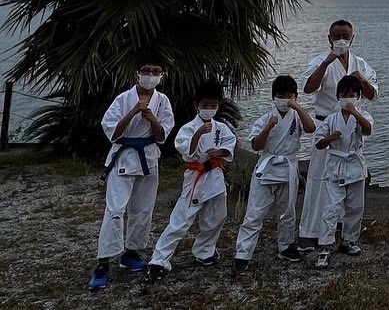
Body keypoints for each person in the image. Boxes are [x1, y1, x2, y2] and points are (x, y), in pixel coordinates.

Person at [89, 57, 175, 291]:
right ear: (137, 72)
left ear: (162, 75)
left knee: (143, 209)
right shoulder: (123, 99)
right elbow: (113, 133)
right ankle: (103, 263)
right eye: (146, 70)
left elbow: (161, 136)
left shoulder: (163, 101)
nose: (151, 75)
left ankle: (131, 253)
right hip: (124, 156)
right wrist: (134, 111)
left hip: (148, 157)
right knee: (115, 210)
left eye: (156, 71)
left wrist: (150, 117)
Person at [298, 20, 378, 250]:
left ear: (352, 38)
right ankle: (311, 231)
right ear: (329, 38)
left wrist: (361, 79)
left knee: (350, 181)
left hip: (352, 125)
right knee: (319, 178)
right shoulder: (320, 61)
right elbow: (308, 88)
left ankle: (342, 228)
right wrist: (326, 62)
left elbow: (372, 96)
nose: (341, 40)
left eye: (345, 36)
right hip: (326, 123)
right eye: (337, 36)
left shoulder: (360, 64)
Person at [147, 81, 236, 279]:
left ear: (219, 105)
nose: (209, 108)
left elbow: (230, 145)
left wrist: (221, 151)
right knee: (181, 220)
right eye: (205, 105)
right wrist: (198, 135)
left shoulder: (221, 128)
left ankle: (204, 251)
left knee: (217, 217)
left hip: (215, 176)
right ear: (196, 105)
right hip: (196, 176)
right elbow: (186, 151)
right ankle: (159, 260)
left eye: (213, 105)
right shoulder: (188, 128)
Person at [233, 75, 316, 272]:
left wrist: (297, 107)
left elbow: (311, 128)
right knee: (255, 213)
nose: (285, 99)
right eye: (281, 96)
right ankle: (243, 254)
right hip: (267, 166)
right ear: (274, 97)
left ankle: (285, 246)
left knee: (287, 211)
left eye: (289, 96)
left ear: (295, 97)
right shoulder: (265, 118)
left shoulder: (297, 116)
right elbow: (256, 145)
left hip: (288, 166)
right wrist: (269, 127)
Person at [312, 75, 373, 269]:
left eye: (352, 95)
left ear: (358, 97)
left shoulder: (363, 115)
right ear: (338, 96)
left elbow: (368, 130)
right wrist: (329, 138)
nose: (348, 98)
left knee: (355, 207)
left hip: (355, 166)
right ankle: (325, 247)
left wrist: (355, 112)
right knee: (331, 208)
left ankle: (349, 240)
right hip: (335, 167)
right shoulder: (331, 119)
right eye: (345, 95)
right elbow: (318, 143)